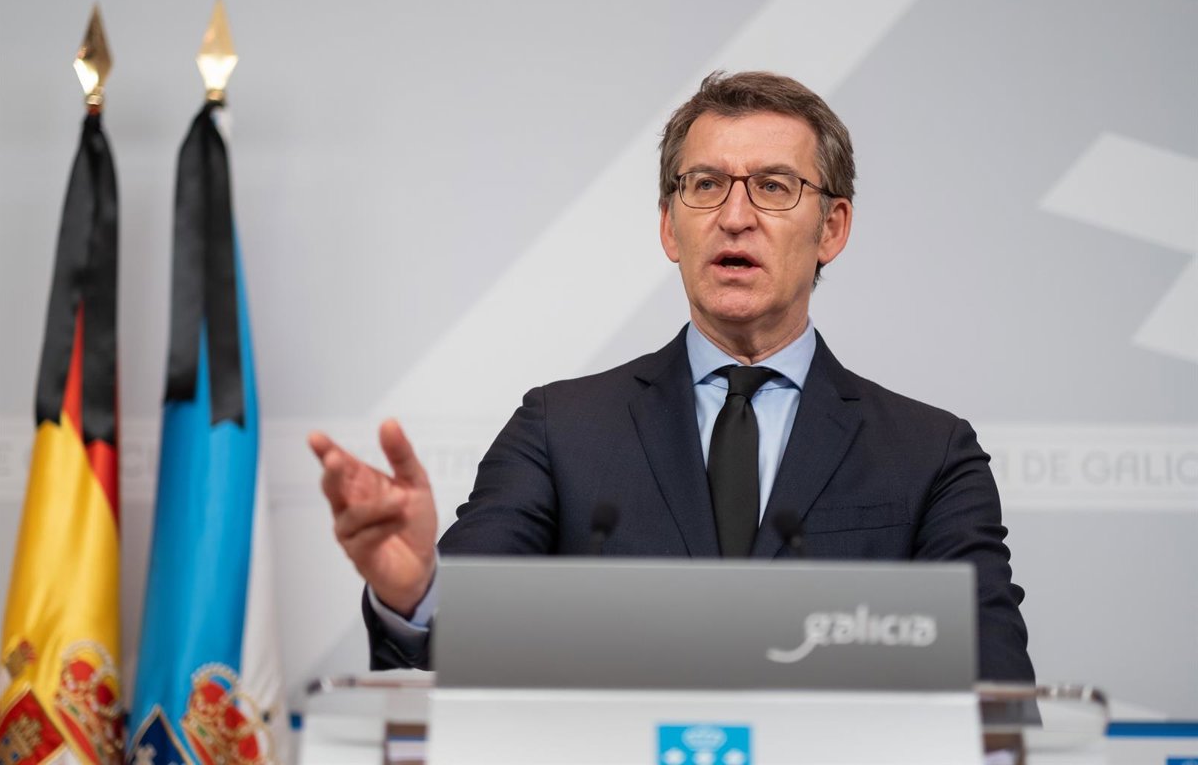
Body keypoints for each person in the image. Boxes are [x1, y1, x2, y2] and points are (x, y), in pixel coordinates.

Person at [309, 71, 1035, 682]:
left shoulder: (929, 454)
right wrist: (417, 590)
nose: (735, 216)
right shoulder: (561, 431)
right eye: (706, 185)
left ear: (833, 227)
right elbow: (467, 636)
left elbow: (997, 696)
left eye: (774, 186)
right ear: (668, 226)